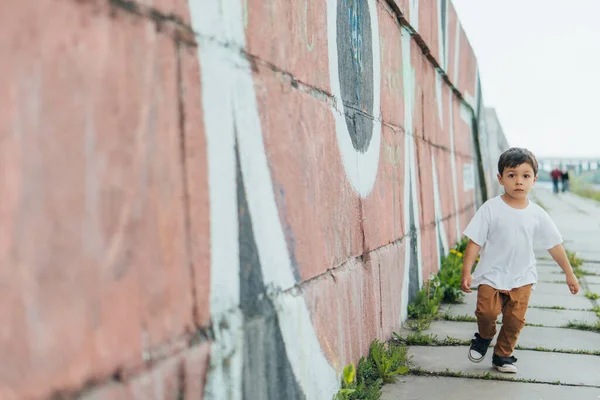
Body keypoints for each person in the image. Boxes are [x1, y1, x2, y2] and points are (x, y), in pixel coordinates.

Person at [461, 148, 579, 374]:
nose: (518, 181)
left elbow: (554, 245)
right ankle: (484, 337)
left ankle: (503, 355)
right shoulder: (490, 209)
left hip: (522, 276)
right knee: (486, 312)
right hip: (491, 274)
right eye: (512, 175)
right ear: (500, 178)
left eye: (525, 176)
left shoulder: (538, 214)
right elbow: (474, 241)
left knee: (515, 320)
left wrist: (569, 273)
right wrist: (467, 271)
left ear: (534, 180)